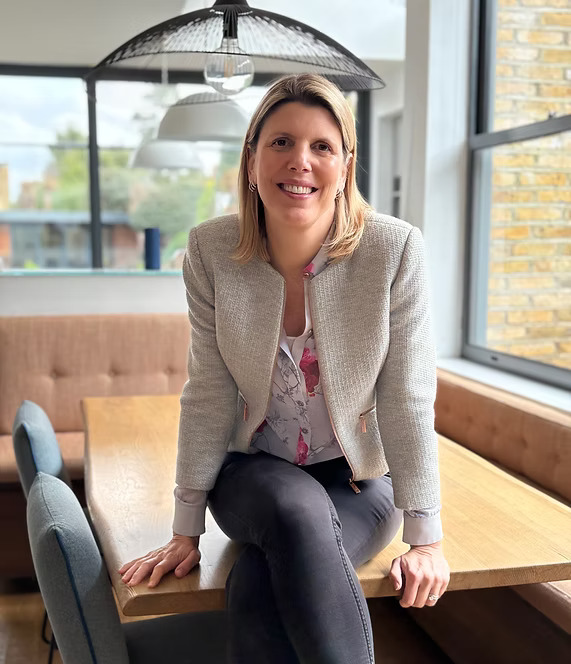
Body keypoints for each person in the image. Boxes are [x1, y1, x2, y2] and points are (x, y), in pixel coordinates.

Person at [119, 73, 450, 664]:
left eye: (322, 146)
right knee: (293, 510)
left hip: (357, 482)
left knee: (258, 583)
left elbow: (406, 395)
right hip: (253, 474)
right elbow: (208, 392)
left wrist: (426, 537)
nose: (301, 161)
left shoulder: (393, 250)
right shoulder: (211, 251)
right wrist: (185, 527)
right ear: (251, 161)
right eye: (281, 142)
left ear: (345, 166)